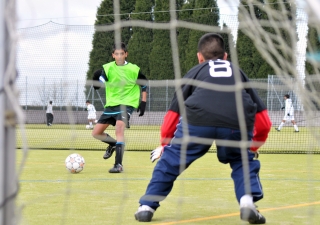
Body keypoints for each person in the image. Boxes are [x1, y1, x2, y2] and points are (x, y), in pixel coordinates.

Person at [134, 33, 272, 224]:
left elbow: (173, 114)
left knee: (171, 162)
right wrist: (252, 147)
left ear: (199, 57)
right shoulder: (238, 72)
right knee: (241, 160)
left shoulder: (195, 72)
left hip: (198, 120)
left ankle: (146, 207)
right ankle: (247, 203)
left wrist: (166, 145)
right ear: (225, 57)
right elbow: (264, 120)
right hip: (237, 121)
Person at [92, 42, 148, 173]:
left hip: (127, 104)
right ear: (113, 55)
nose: (119, 56)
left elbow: (144, 84)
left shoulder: (134, 69)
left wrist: (143, 102)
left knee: (119, 130)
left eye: (121, 54)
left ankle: (118, 165)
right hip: (111, 105)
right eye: (116, 54)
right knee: (96, 133)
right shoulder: (108, 68)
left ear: (126, 54)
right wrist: (97, 81)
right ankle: (112, 144)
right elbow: (102, 79)